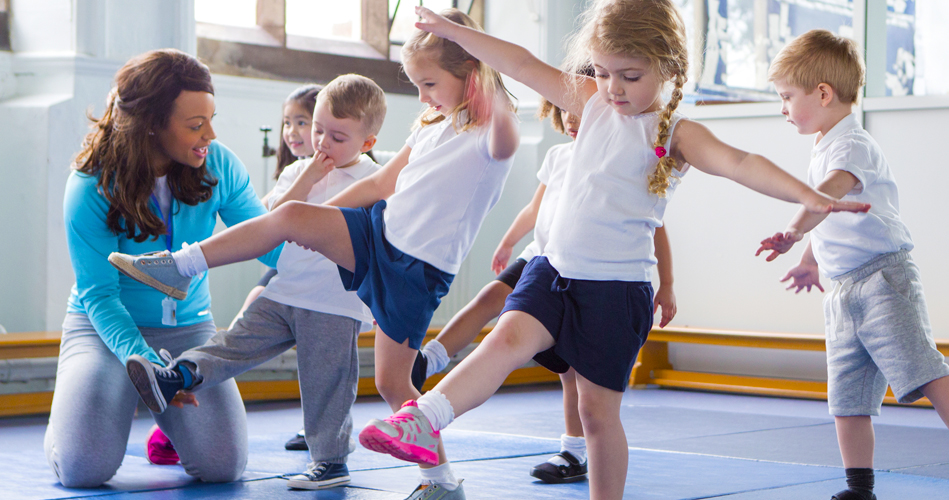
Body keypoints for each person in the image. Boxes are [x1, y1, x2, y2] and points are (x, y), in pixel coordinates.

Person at [355, 3, 871, 500]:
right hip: (552, 271)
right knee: (506, 336)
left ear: (667, 67)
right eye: (602, 73)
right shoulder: (592, 103)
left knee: (597, 415)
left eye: (629, 75)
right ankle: (425, 418)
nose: (613, 88)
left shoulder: (674, 132)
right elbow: (520, 62)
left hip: (616, 291)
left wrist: (809, 196)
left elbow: (740, 162)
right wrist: (458, 33)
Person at [106, 9, 518, 500]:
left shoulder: (490, 137)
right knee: (289, 216)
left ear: (471, 78)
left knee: (394, 385)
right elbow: (382, 182)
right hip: (376, 237)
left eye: (428, 83)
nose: (423, 96)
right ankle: (180, 265)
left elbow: (506, 132)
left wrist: (474, 55)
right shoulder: (431, 126)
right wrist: (314, 219)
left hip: (416, 269)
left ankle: (442, 485)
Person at [121, 74, 385, 490]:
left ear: (367, 143)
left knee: (326, 383)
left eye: (336, 136)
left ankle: (331, 461)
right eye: (317, 130)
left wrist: (380, 304)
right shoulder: (297, 172)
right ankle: (175, 376)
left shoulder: (374, 181)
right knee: (234, 341)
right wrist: (309, 176)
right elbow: (271, 220)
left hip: (334, 302)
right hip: (285, 290)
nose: (321, 143)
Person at [48, 48, 281, 488]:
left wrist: (336, 262)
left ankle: (170, 427)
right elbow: (100, 295)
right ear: (151, 124)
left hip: (189, 329)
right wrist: (150, 368)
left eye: (211, 119)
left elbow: (267, 242)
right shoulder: (90, 185)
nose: (210, 134)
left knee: (223, 466)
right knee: (84, 470)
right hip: (104, 330)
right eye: (196, 125)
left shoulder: (219, 165)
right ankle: (70, 425)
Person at [413, 97, 676, 484]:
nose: (572, 121)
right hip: (542, 259)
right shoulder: (557, 156)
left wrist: (667, 284)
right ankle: (430, 360)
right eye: (566, 112)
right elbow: (534, 209)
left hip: (593, 275)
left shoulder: (621, 162)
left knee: (575, 374)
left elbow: (656, 229)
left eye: (580, 114)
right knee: (490, 301)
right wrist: (507, 242)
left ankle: (573, 450)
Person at [754, 29, 949, 500]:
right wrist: (809, 261)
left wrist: (793, 232)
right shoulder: (823, 146)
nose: (782, 108)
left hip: (883, 279)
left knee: (923, 371)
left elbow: (828, 196)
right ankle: (859, 487)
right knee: (846, 397)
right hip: (842, 292)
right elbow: (829, 218)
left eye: (786, 97)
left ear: (822, 93)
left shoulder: (852, 144)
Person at [223, 84, 322, 452]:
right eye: (287, 123)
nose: (292, 132)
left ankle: (316, 427)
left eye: (302, 122)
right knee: (253, 304)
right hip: (290, 264)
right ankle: (216, 376)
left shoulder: (336, 172)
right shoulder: (290, 171)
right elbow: (260, 214)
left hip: (323, 271)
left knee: (318, 353)